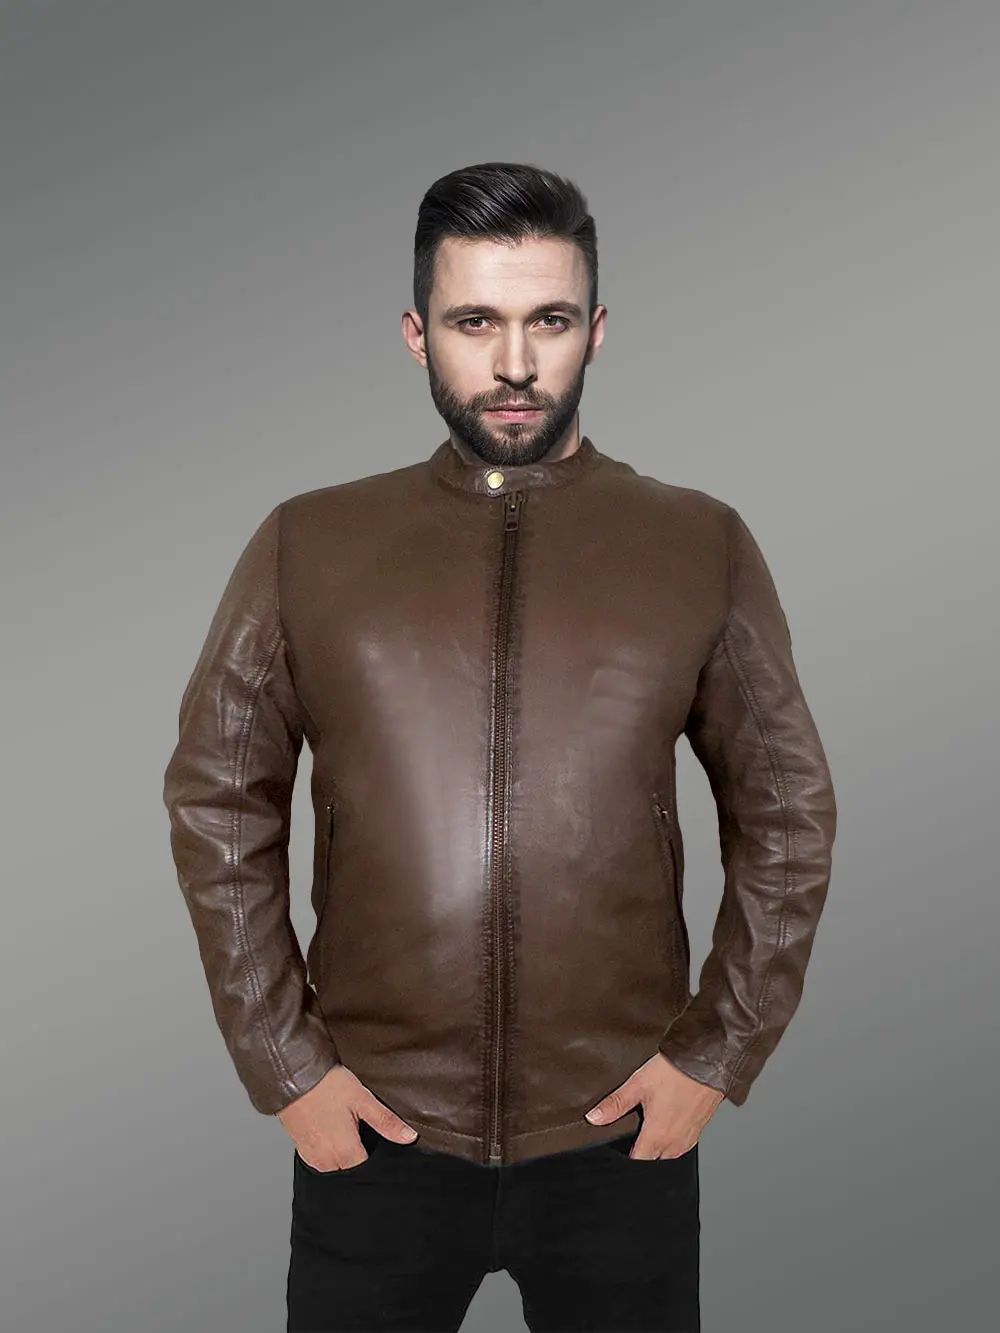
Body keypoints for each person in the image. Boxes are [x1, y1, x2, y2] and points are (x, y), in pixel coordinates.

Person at [162, 160, 837, 1333]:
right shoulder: (308, 543)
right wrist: (285, 1064)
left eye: (549, 321)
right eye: (475, 322)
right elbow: (219, 803)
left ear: (597, 331)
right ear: (417, 335)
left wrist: (716, 1055)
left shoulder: (699, 543)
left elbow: (786, 814)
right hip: (371, 1127)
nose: (515, 364)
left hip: (620, 1131)